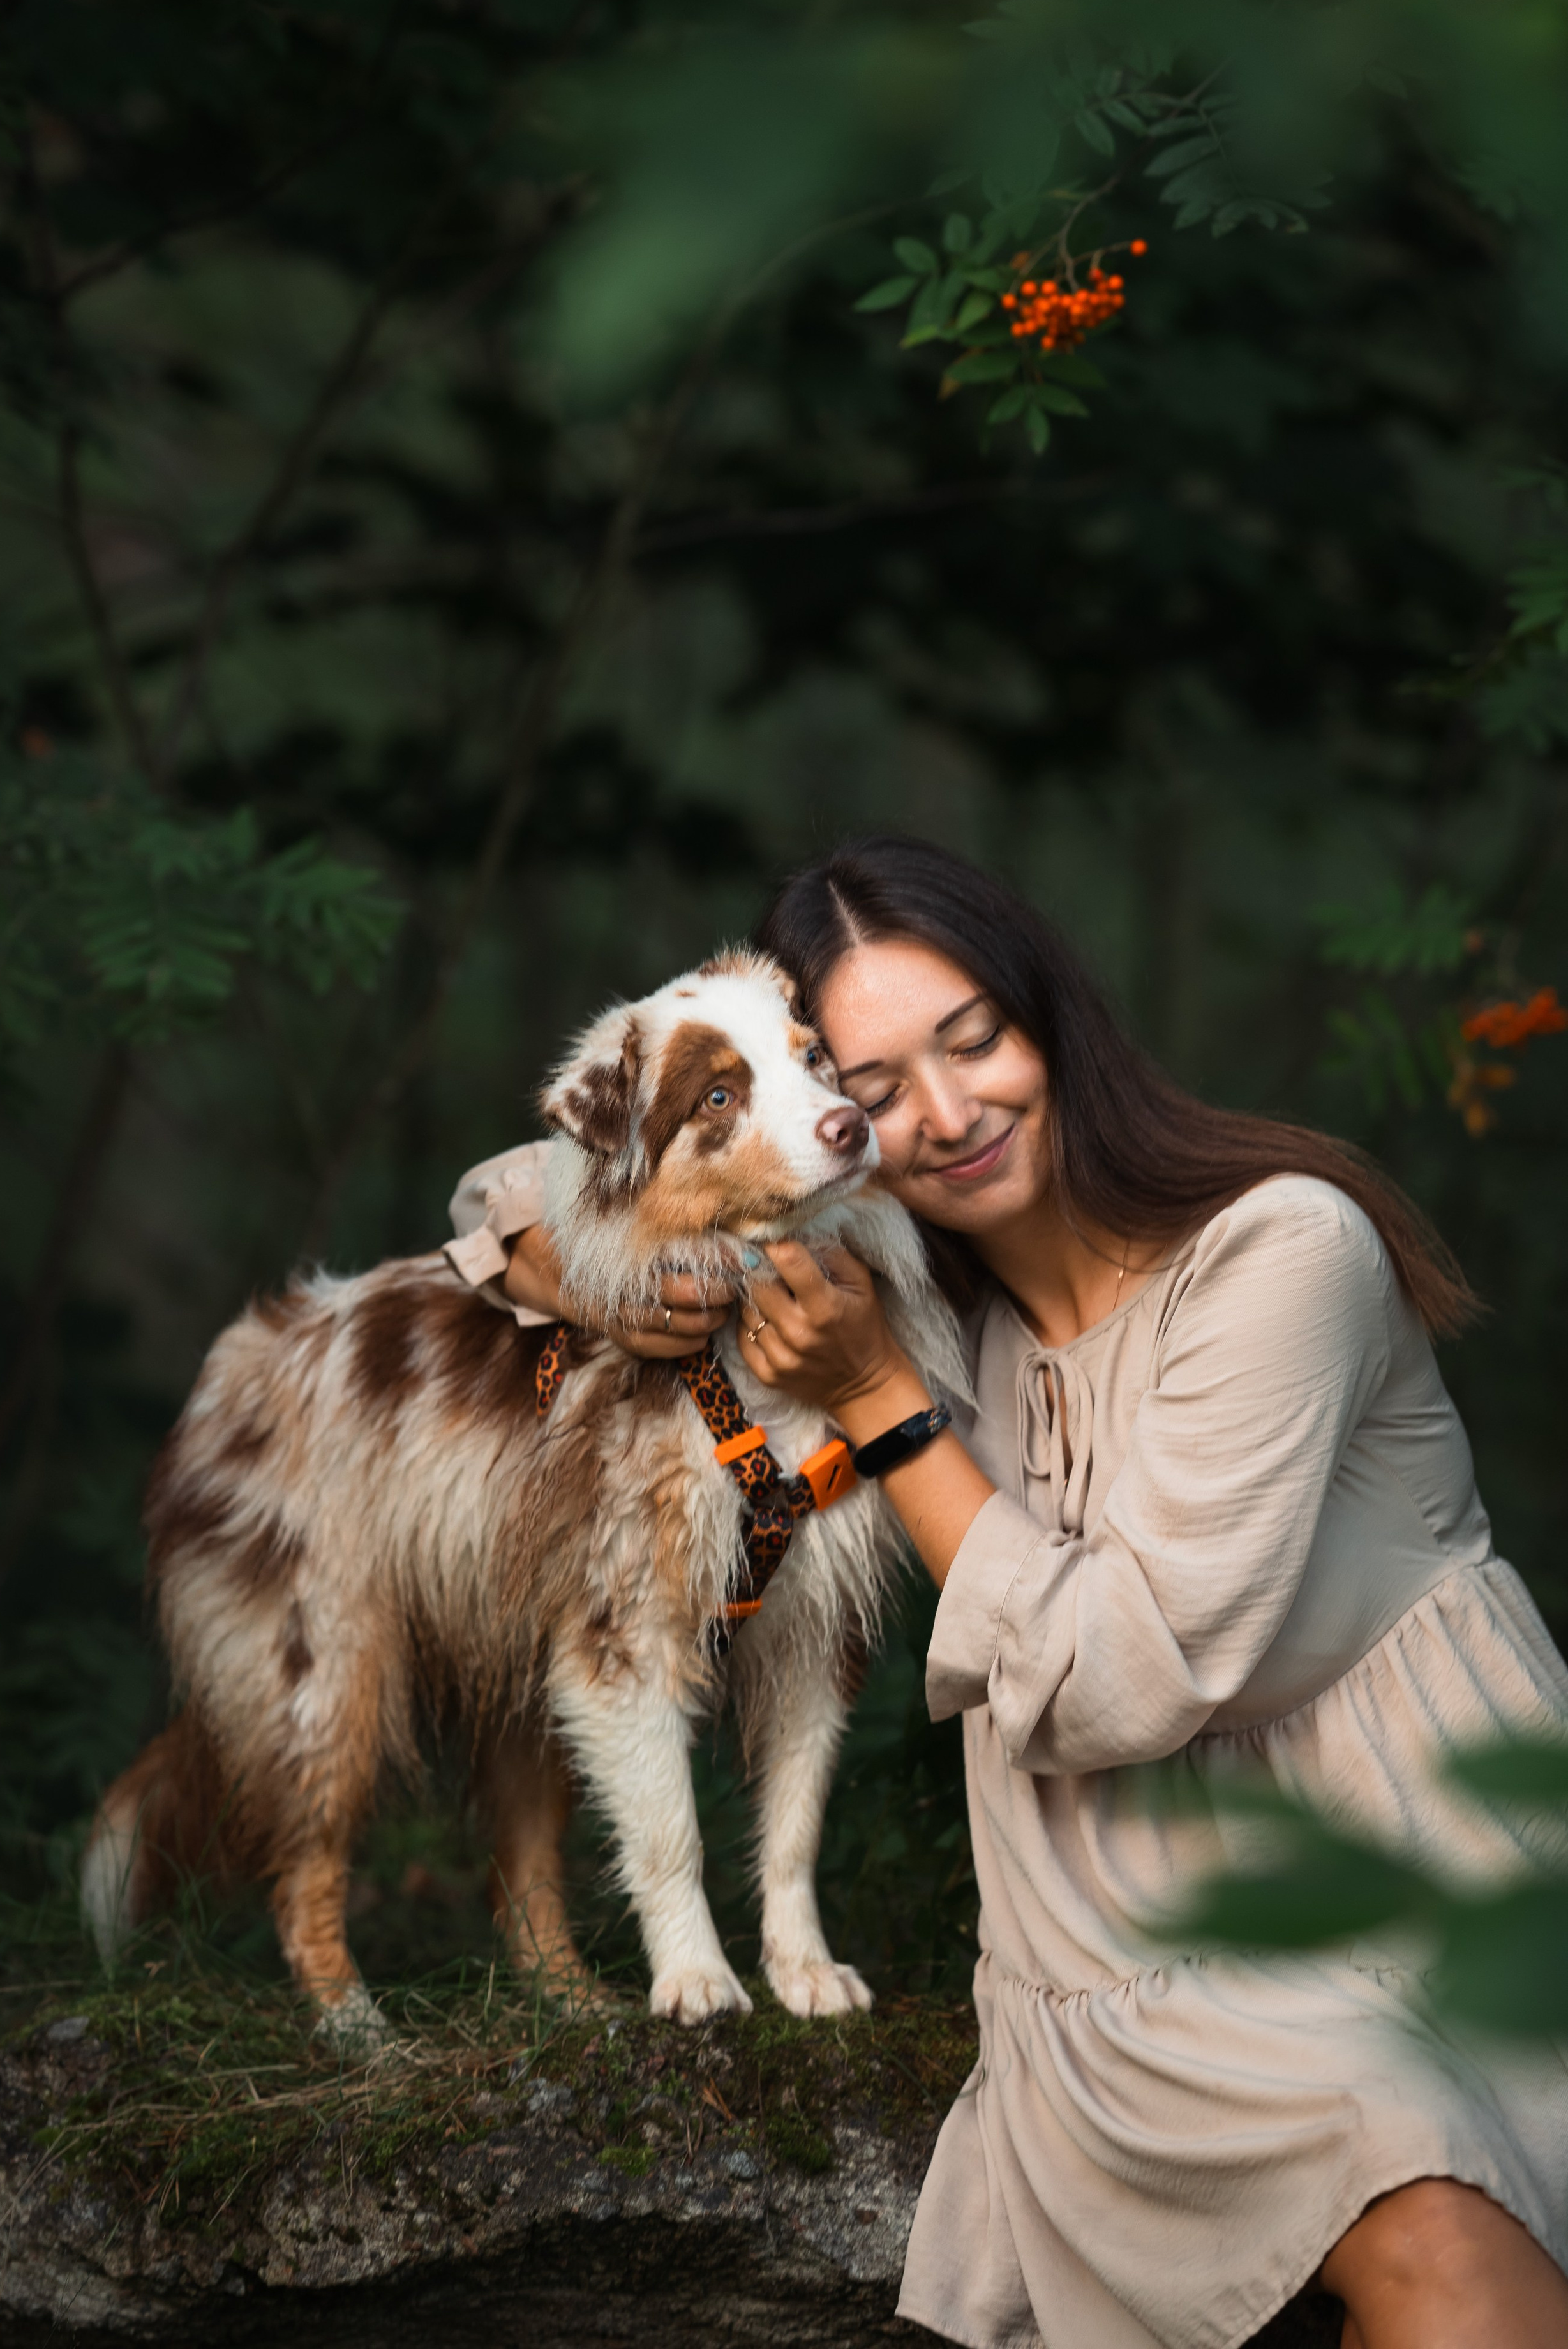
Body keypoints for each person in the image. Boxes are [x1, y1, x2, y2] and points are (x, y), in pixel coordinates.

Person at [445, 836, 1568, 2349]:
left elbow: (1125, 1679)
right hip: (1116, 1930)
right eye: (878, 1082)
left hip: (1414, 1857)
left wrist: (882, 1410)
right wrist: (622, 1278)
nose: (947, 1113)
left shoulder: (1279, 1253)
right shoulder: (925, 1289)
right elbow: (511, 1185)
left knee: (1439, 2192)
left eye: (974, 1041)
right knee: (1414, 2182)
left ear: (1053, 1018)